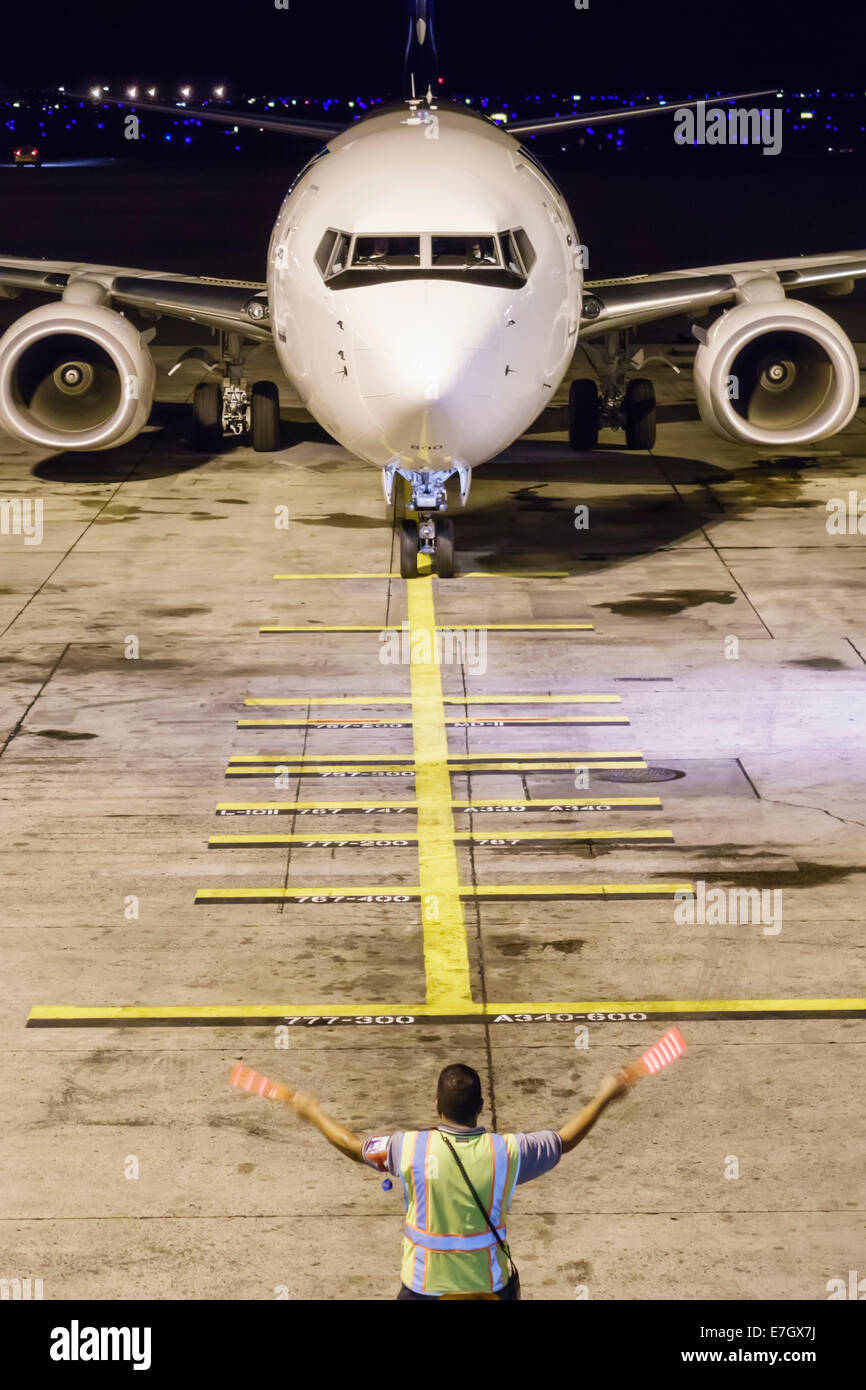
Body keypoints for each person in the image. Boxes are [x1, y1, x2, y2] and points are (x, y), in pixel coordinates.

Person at [287, 1061, 630, 1300]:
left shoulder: (407, 1147)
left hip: (423, 1288)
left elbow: (353, 1146)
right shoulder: (506, 1152)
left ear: (437, 1105)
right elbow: (564, 1140)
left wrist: (313, 1112)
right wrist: (605, 1096)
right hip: (488, 1288)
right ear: (481, 1106)